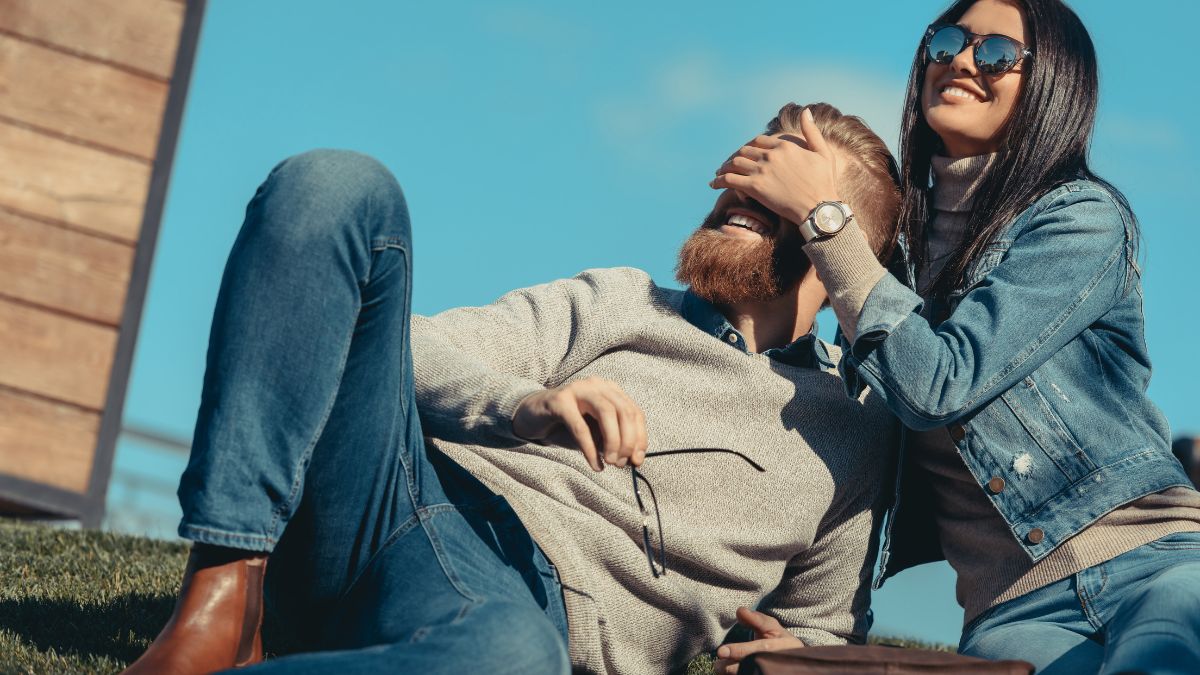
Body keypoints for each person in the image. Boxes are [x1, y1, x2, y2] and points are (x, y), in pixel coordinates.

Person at [123, 102, 902, 675]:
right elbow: (413, 346)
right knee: (336, 185)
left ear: (840, 241)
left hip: (513, 605)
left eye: (781, 192)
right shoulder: (621, 300)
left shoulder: (854, 436)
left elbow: (821, 630)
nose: (740, 193)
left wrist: (796, 657)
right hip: (388, 497)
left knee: (509, 656)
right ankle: (222, 596)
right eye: (747, 169)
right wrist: (521, 405)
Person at [712, 1, 1200, 673]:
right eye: (948, 41)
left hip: (1153, 563)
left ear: (1051, 85)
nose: (963, 61)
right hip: (1011, 609)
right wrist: (820, 641)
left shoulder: (1081, 220)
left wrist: (825, 218)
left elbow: (939, 383)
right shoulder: (888, 253)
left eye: (998, 53)